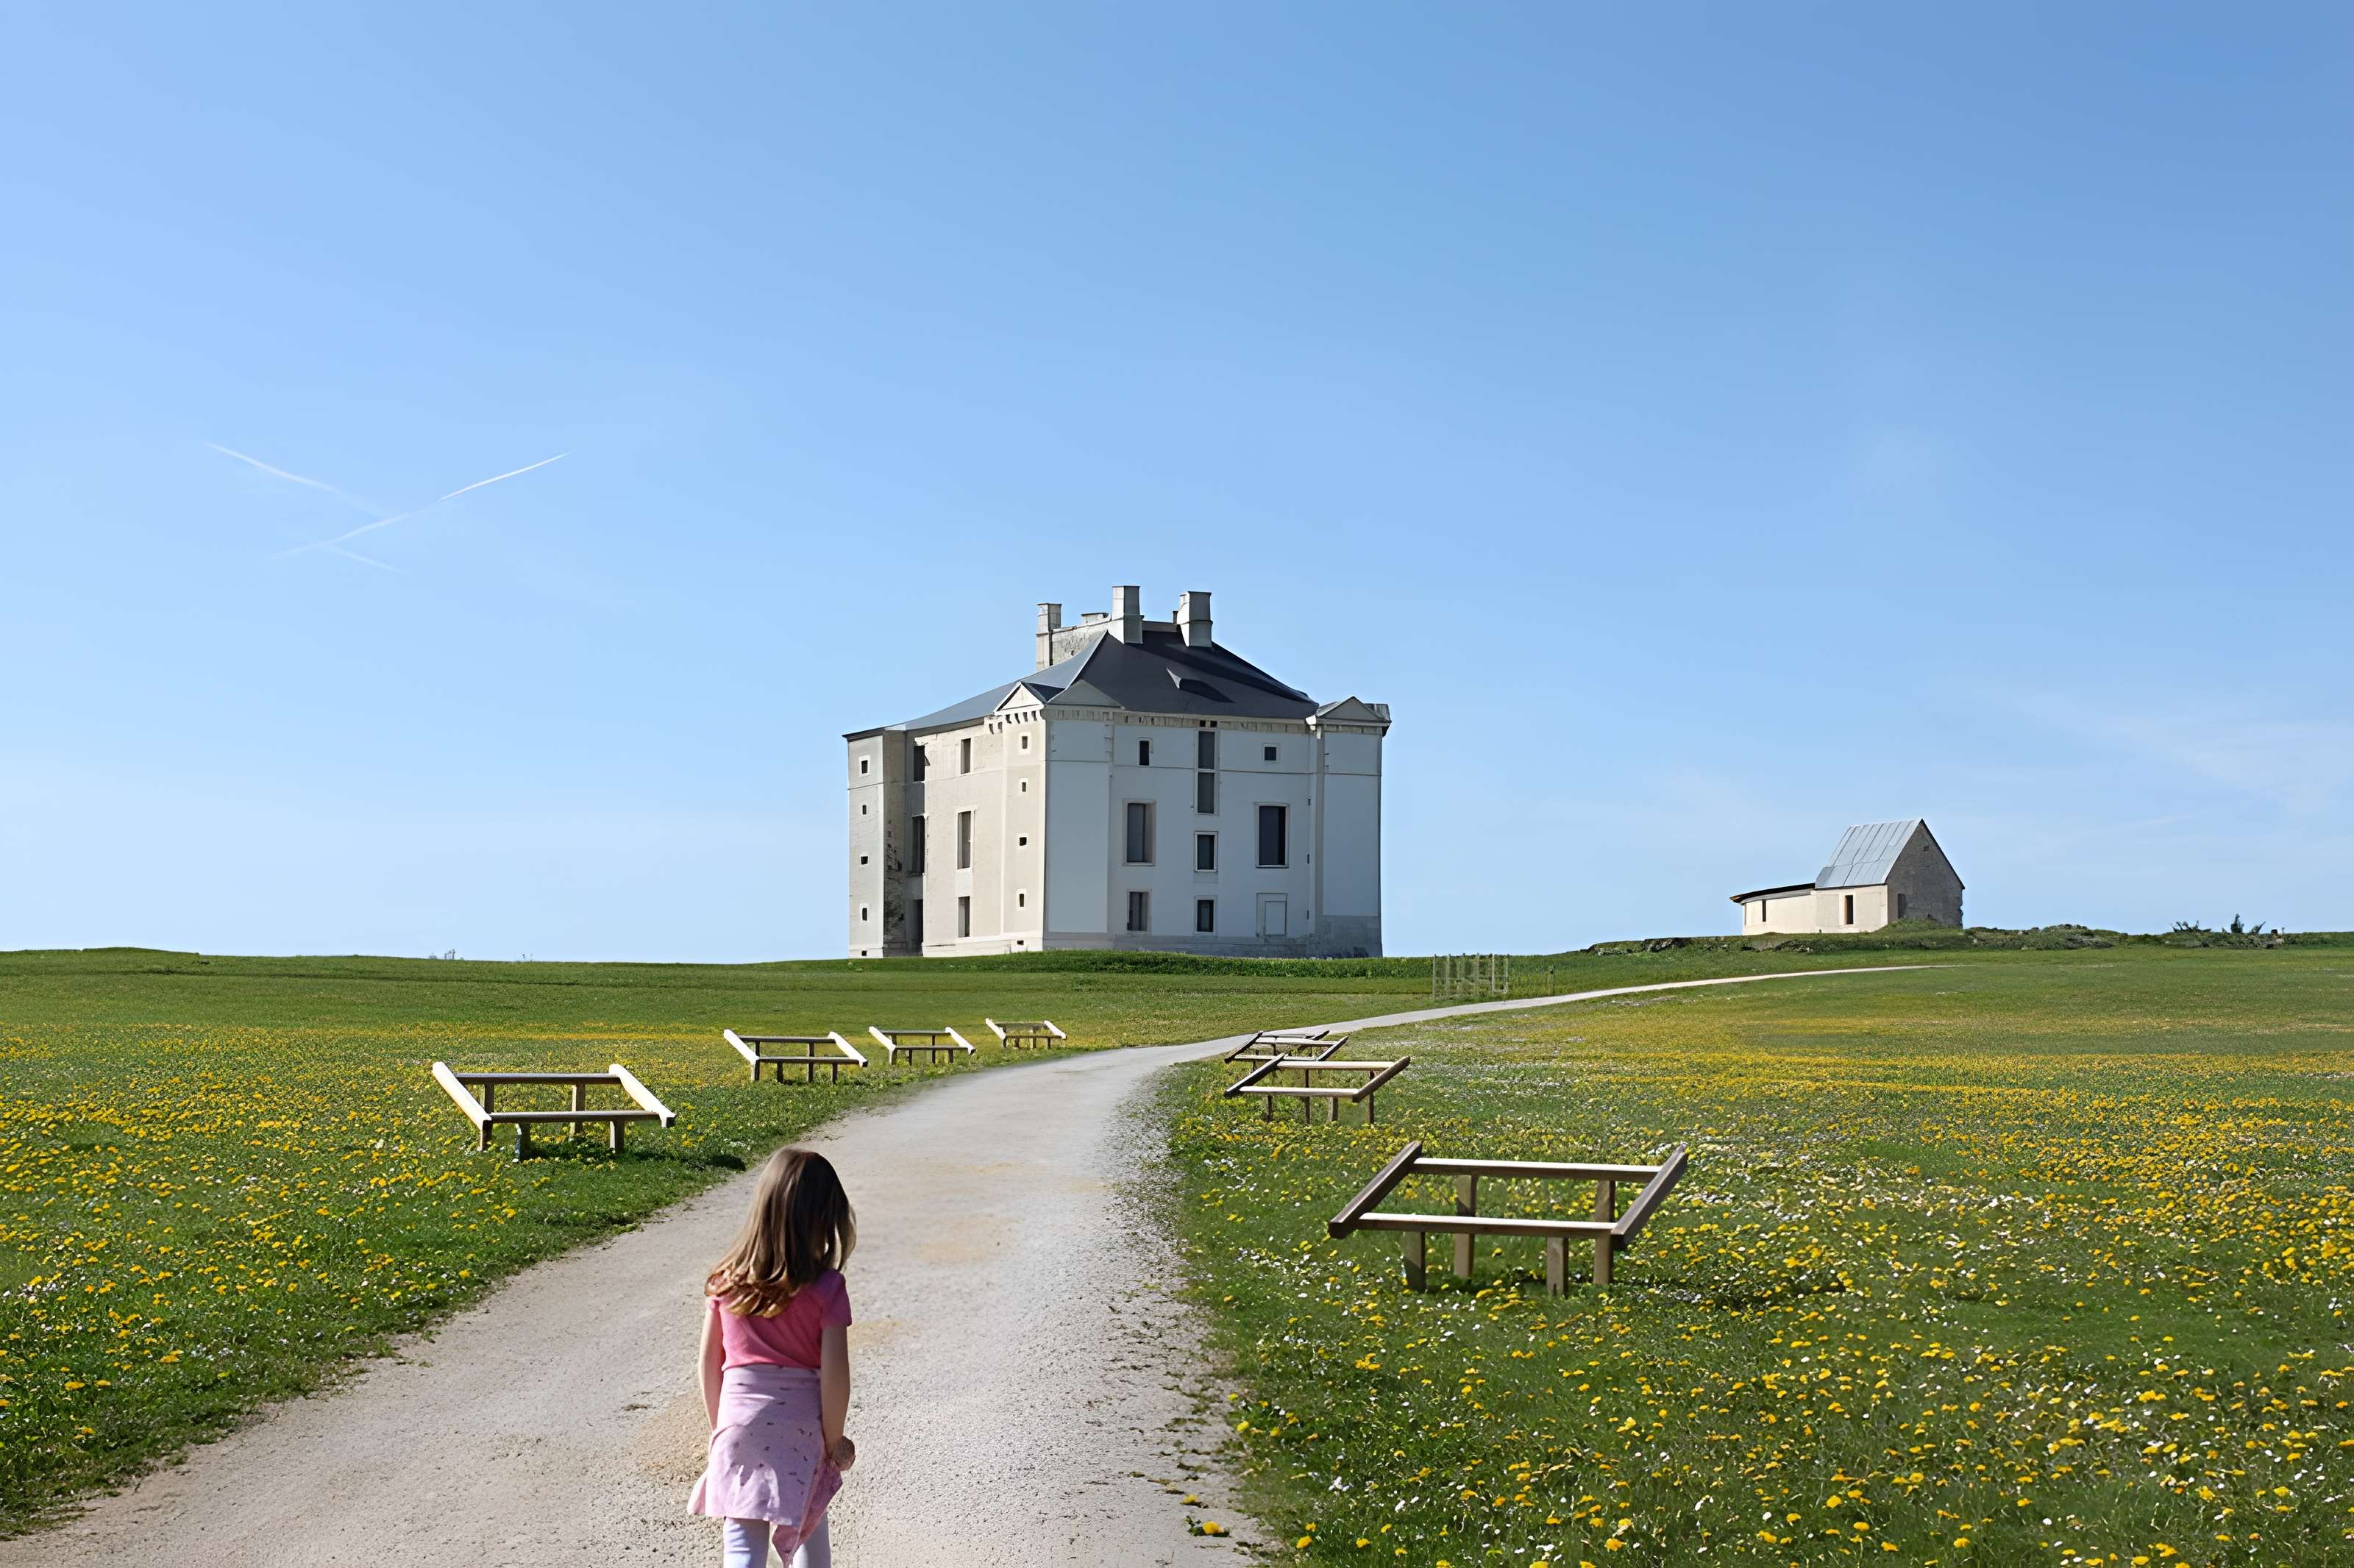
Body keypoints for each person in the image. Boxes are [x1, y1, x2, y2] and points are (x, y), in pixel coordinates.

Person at [690, 1147, 857, 1567]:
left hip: (737, 1422)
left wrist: (720, 1428)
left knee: (743, 1541)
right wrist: (833, 1441)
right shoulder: (826, 1289)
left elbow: (709, 1364)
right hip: (801, 1429)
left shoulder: (725, 1282)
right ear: (822, 1222)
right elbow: (836, 1378)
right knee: (806, 1524)